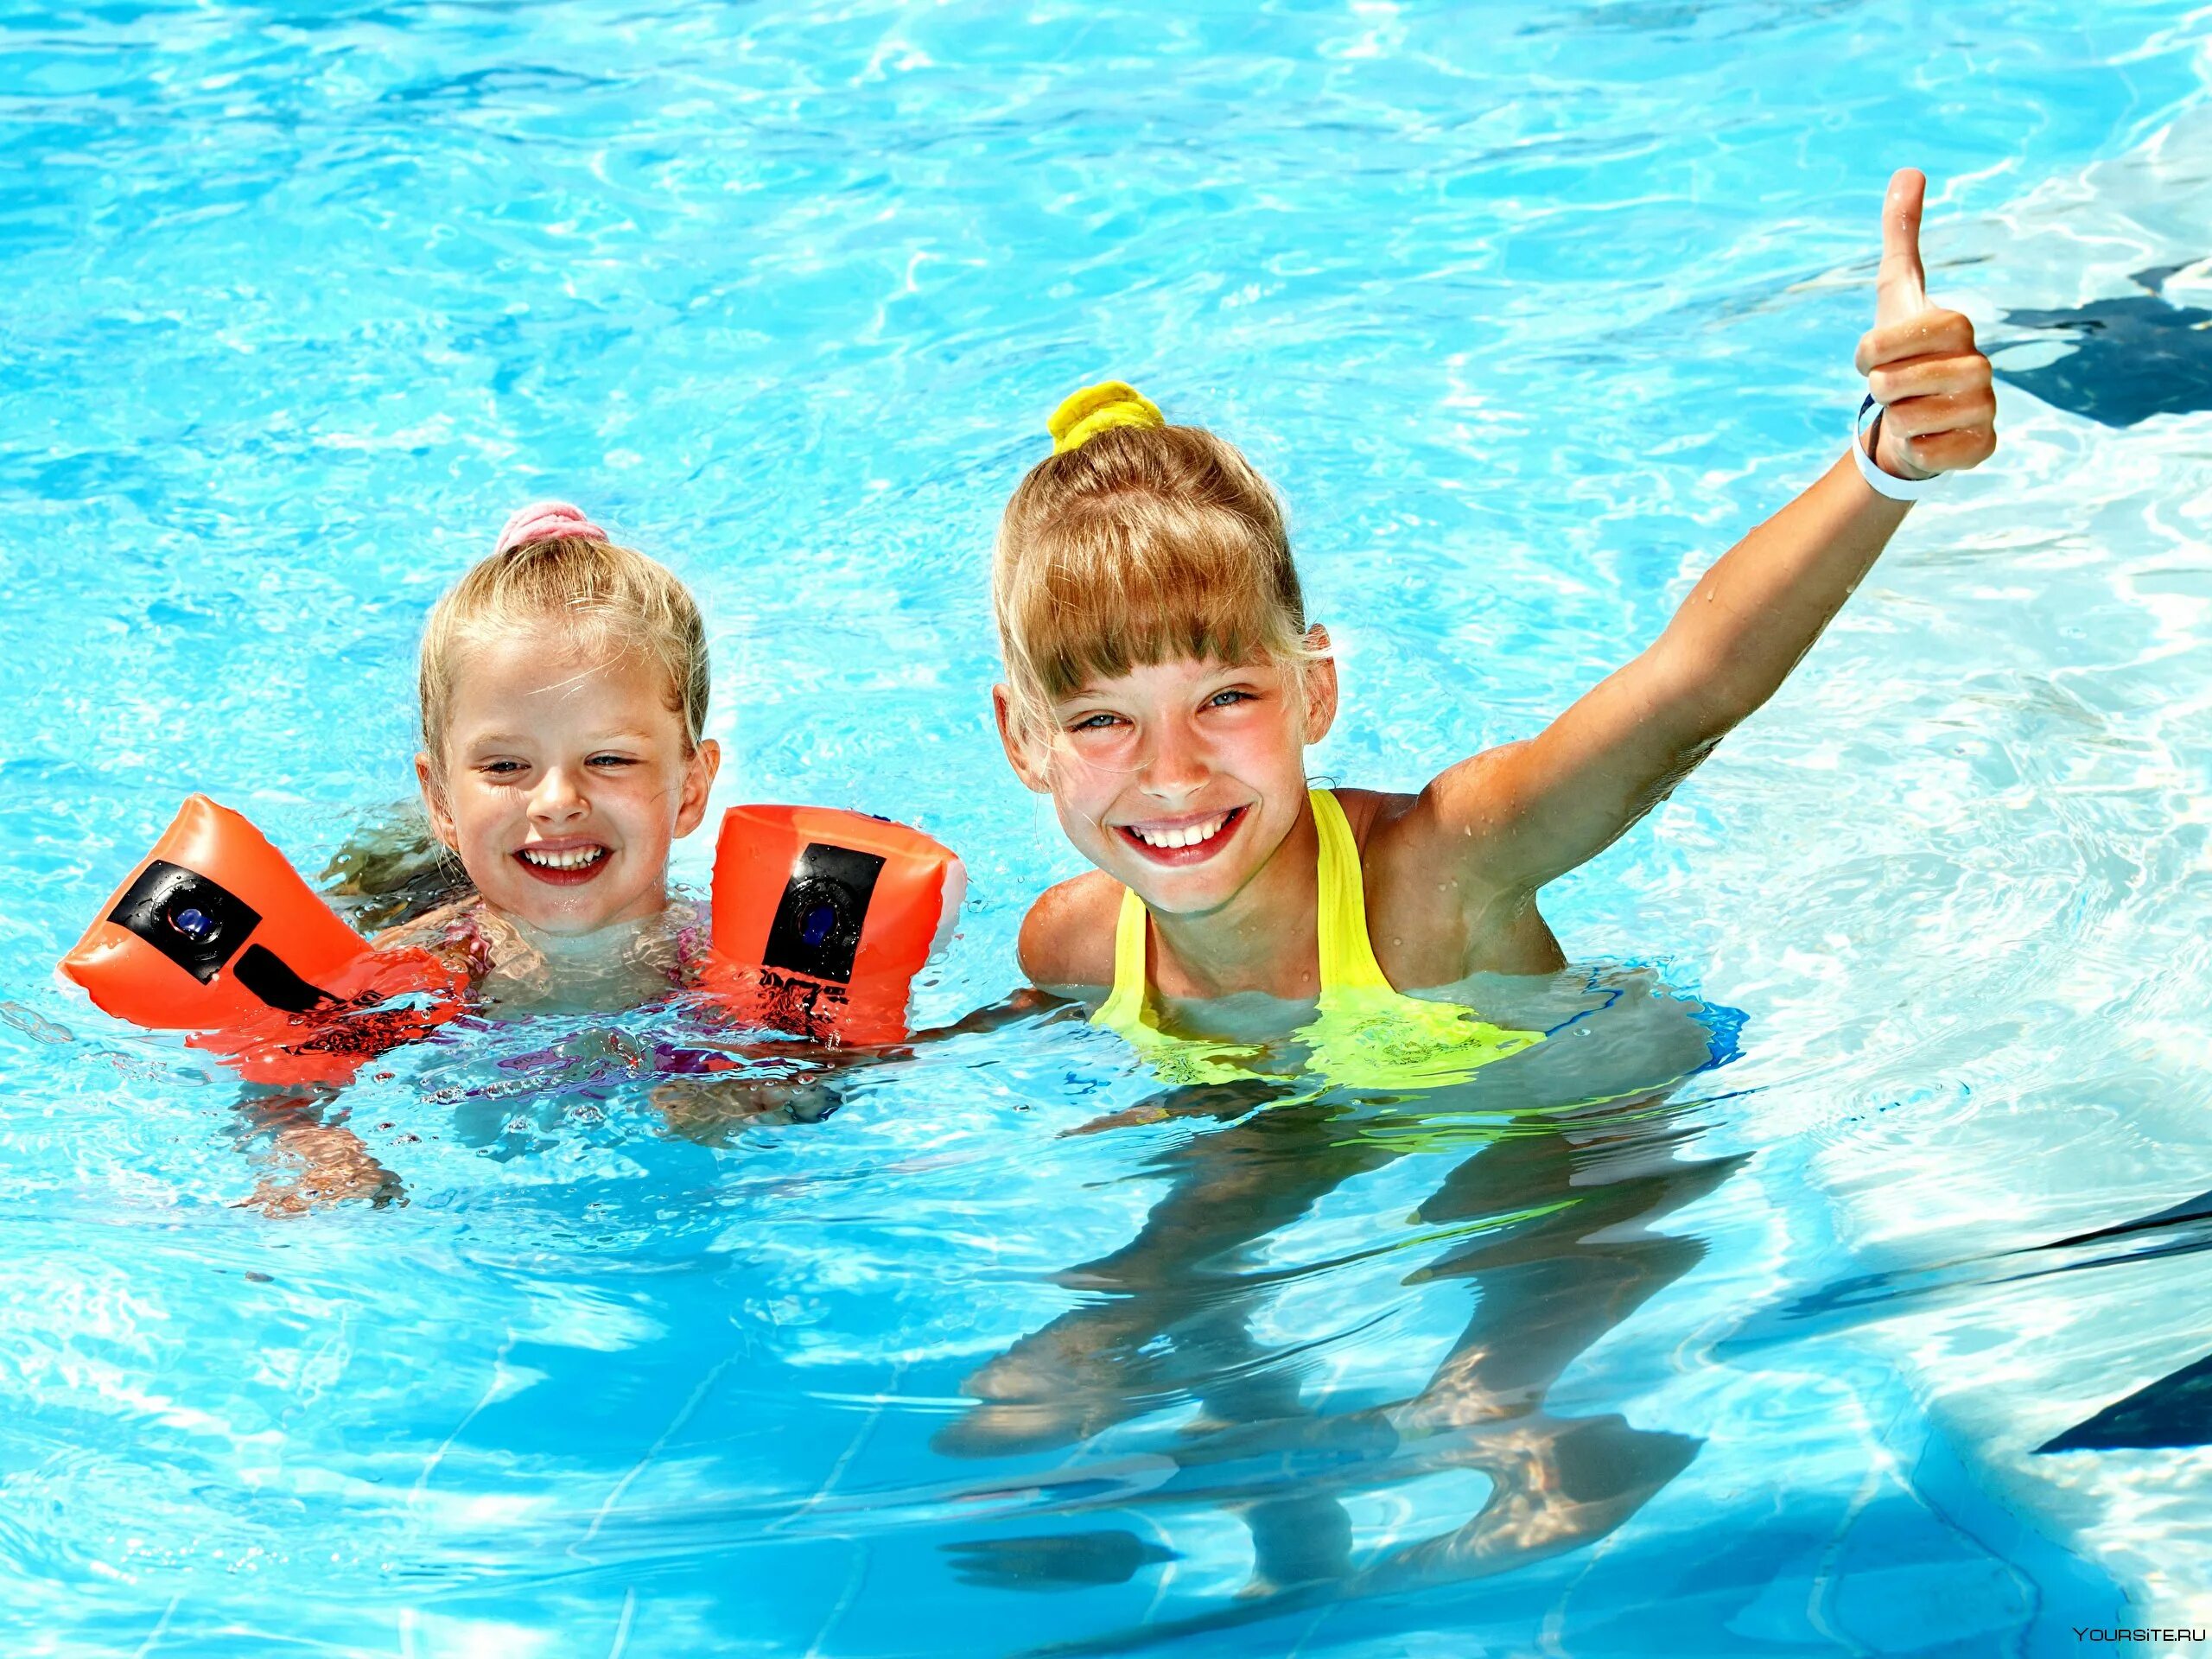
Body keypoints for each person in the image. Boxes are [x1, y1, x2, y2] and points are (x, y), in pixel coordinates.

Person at [990, 168, 1993, 1079]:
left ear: (1316, 687)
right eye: (1099, 720)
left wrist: (1885, 462)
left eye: (1225, 697)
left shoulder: (1442, 872)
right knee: (1174, 1253)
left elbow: (1690, 687)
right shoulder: (1071, 948)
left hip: (1576, 1132)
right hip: (1322, 1116)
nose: (1171, 772)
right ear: (1023, 740)